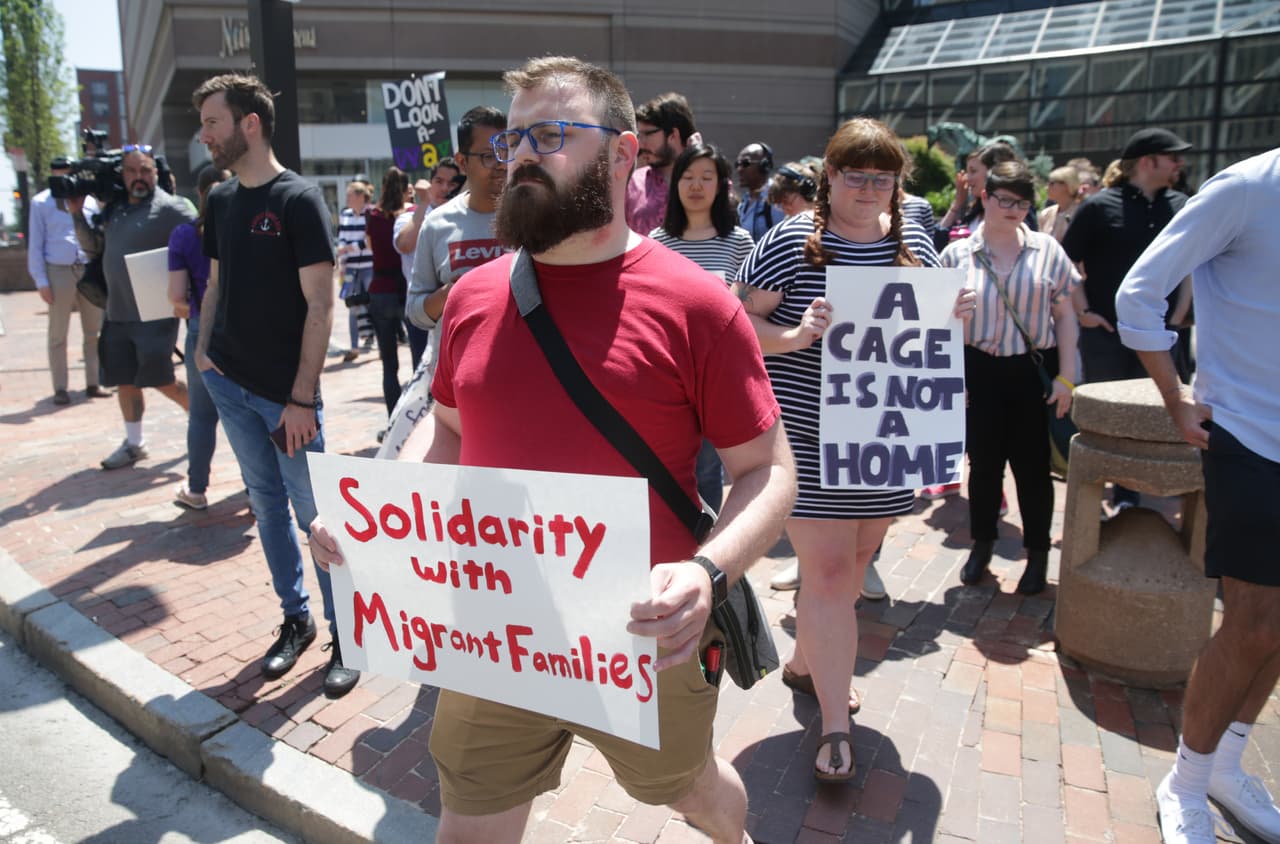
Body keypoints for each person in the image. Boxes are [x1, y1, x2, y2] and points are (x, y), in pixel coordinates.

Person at [315, 55, 795, 844]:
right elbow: (448, 436)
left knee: (690, 790)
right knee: (467, 822)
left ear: (621, 153)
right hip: (492, 624)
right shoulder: (471, 299)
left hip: (646, 633)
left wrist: (709, 571)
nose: (523, 155)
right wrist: (373, 517)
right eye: (512, 139)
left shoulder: (697, 306)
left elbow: (767, 470)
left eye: (551, 133)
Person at [733, 117, 973, 781]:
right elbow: (739, 325)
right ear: (829, 178)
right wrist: (795, 336)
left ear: (897, 183)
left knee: (857, 557)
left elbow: (924, 327)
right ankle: (836, 727)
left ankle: (808, 664)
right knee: (836, 573)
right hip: (807, 440)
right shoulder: (788, 244)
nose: (869, 189)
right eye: (855, 175)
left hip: (882, 440)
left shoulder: (911, 240)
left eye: (882, 177)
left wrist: (953, 313)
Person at [1116, 147, 1280, 844]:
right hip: (1250, 433)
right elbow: (1138, 292)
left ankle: (1226, 764)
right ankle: (1185, 779)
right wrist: (1175, 397)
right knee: (1252, 623)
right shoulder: (1248, 186)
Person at [193, 72, 358, 699]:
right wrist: (205, 354)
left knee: (316, 517)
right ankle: (297, 621)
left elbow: (321, 305)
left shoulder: (299, 199)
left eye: (213, 122)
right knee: (266, 509)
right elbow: (214, 285)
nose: (204, 135)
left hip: (286, 400)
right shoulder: (222, 200)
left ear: (249, 123)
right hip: (230, 386)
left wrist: (299, 398)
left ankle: (350, 632)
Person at [942, 160, 1080, 594]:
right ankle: (982, 545)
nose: (1014, 209)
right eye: (1005, 200)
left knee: (1033, 470)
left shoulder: (1046, 250)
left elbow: (1066, 317)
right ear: (985, 197)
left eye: (1023, 202)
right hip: (977, 369)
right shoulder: (956, 254)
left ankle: (1037, 554)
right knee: (983, 468)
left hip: (1031, 370)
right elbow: (936, 322)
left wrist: (1069, 379)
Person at [1062, 127, 1191, 516]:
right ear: (1148, 161)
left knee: (1161, 408)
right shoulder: (1100, 207)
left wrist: (1182, 311)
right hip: (1108, 334)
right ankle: (1107, 487)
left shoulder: (1184, 206)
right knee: (1108, 414)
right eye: (1173, 157)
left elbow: (1194, 267)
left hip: (1164, 336)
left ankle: (1141, 486)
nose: (1179, 164)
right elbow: (1066, 260)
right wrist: (1083, 311)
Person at [68, 145, 194, 469]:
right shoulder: (116, 209)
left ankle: (201, 418)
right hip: (117, 311)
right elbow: (94, 247)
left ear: (156, 173)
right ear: (122, 176)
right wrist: (76, 212)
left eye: (145, 171)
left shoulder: (172, 208)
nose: (138, 177)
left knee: (159, 377)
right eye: (131, 171)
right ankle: (134, 443)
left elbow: (201, 243)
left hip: (155, 314)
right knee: (124, 378)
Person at [649, 143, 755, 512]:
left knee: (708, 470)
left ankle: (706, 553)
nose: (696, 186)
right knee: (665, 465)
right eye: (688, 177)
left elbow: (747, 308)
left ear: (721, 185)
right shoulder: (657, 242)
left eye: (707, 177)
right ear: (676, 184)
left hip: (716, 376)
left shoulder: (739, 243)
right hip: (664, 374)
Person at [405, 106, 508, 361]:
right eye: (488, 156)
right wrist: (453, 293)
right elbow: (416, 312)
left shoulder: (535, 219)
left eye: (507, 152)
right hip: (455, 385)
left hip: (520, 378)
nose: (501, 164)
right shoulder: (437, 224)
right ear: (462, 161)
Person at [166, 165, 230, 510]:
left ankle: (196, 489)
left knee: (203, 416)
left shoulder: (185, 235)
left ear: (200, 194)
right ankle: (257, 489)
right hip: (245, 332)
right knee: (248, 416)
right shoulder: (245, 233)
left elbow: (176, 295)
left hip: (199, 330)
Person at [28, 157, 107, 405]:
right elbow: (35, 244)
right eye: (58, 176)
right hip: (58, 271)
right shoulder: (40, 203)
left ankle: (93, 383)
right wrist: (41, 280)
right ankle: (60, 388)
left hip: (87, 268)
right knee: (58, 334)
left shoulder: (91, 200)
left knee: (93, 331)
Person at [393, 158, 461, 369]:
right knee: (424, 383)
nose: (444, 188)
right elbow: (404, 244)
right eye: (438, 181)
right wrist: (424, 203)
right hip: (423, 313)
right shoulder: (410, 216)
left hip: (458, 313)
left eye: (451, 183)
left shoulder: (465, 217)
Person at [364, 167, 410, 417]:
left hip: (380, 291)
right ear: (406, 190)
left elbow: (370, 246)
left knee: (389, 365)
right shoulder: (408, 217)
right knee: (418, 360)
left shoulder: (373, 215)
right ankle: (416, 417)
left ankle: (393, 417)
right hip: (404, 291)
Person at [625, 92, 697, 235]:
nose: (641, 143)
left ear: (673, 135)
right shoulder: (633, 183)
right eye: (640, 135)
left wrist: (698, 158)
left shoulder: (707, 180)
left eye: (648, 134)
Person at [337, 180, 374, 363]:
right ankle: (354, 346)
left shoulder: (371, 214)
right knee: (351, 305)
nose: (347, 199)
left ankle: (381, 343)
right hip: (351, 267)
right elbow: (341, 238)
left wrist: (348, 248)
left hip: (368, 266)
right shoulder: (345, 215)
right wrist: (343, 253)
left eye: (350, 195)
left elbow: (369, 242)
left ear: (360, 196)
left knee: (374, 305)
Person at [736, 142, 781, 240]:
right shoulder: (743, 203)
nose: (739, 169)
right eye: (737, 164)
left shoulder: (777, 198)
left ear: (764, 166)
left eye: (745, 163)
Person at [1038, 166, 1080, 243]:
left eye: (1052, 183)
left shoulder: (1081, 213)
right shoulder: (1045, 214)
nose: (1046, 188)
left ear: (1067, 185)